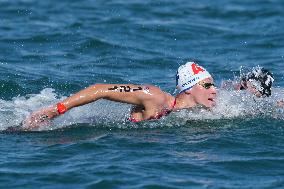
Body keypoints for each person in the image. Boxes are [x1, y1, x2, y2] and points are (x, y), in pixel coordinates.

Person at [22, 62, 217, 130]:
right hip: (89, 130)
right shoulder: (156, 97)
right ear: (189, 88)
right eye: (207, 85)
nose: (214, 90)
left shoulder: (202, 111)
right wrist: (58, 109)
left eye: (214, 84)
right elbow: (101, 89)